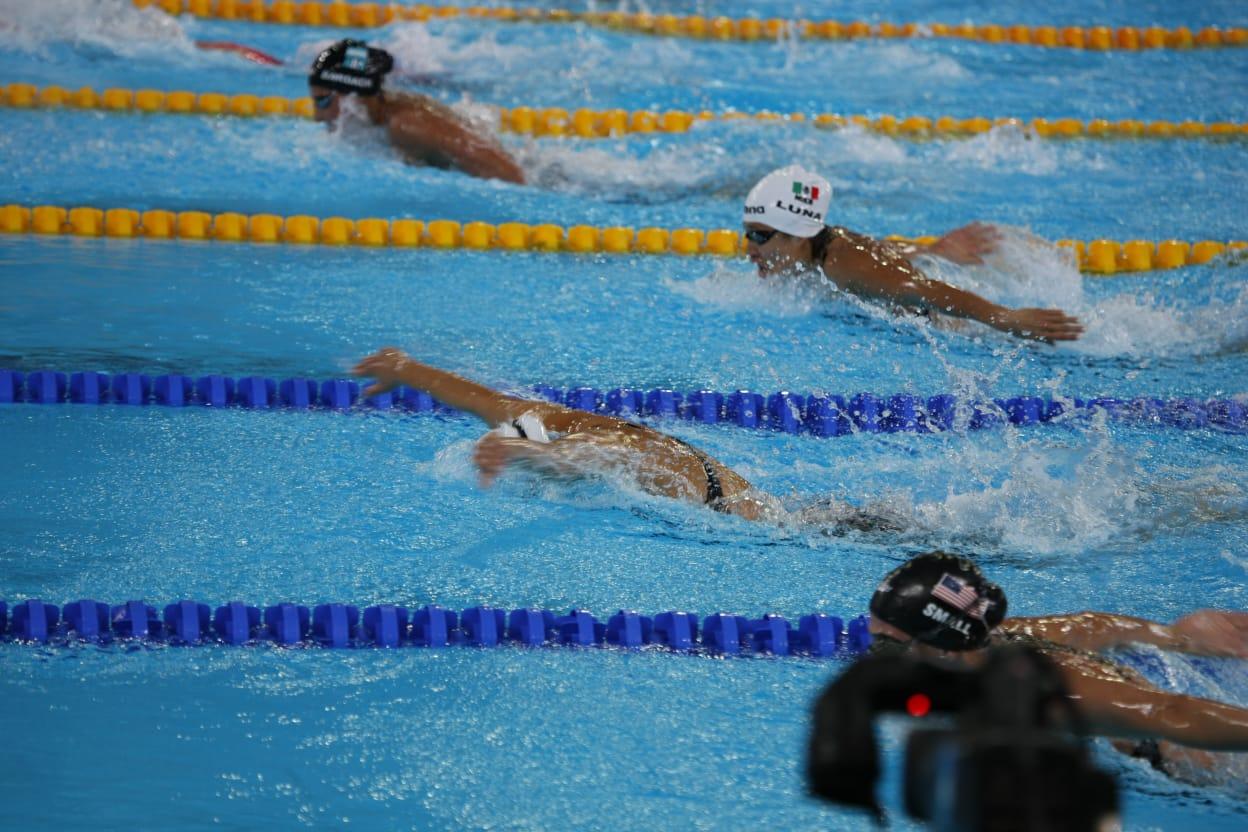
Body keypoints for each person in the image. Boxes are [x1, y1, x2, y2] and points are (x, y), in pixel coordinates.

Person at [353, 347, 904, 530]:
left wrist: (523, 453)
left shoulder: (633, 450)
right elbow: (488, 403)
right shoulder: (564, 419)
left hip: (775, 533)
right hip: (782, 514)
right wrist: (408, 370)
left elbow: (588, 459)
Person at [867, 552, 1248, 776]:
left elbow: (1171, 713)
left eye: (887, 646)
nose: (873, 654)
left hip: (1198, 768)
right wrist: (1175, 637)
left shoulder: (1047, 696)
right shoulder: (993, 637)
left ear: (944, 648)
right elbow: (1089, 625)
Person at [742, 166, 1084, 343]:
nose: (748, 248)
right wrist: (929, 249)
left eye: (759, 236)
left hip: (949, 330)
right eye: (747, 233)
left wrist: (1004, 318)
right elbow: (877, 252)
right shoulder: (823, 246)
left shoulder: (841, 264)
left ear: (797, 235)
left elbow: (920, 290)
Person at [308, 39, 525, 184]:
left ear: (353, 97)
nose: (318, 117)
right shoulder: (386, 110)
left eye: (323, 101)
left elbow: (509, 173)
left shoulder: (407, 125)